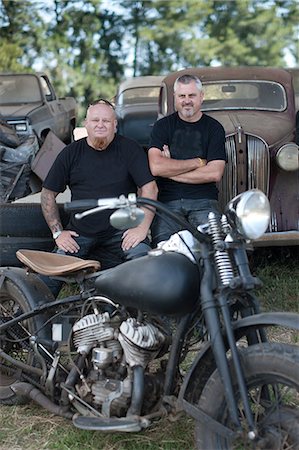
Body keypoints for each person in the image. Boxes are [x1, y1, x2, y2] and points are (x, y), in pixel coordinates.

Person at [41, 99, 158, 295]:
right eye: (95, 120)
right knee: (47, 277)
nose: (100, 125)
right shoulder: (70, 153)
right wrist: (57, 233)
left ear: (115, 125)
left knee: (145, 264)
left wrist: (141, 228)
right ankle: (32, 320)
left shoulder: (130, 149)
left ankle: (146, 320)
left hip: (122, 231)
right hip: (80, 234)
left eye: (106, 120)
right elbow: (47, 194)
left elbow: (150, 188)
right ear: (86, 123)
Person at [148, 74, 226, 246]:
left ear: (201, 97)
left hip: (204, 202)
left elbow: (214, 173)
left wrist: (169, 169)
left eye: (192, 95)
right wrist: (198, 162)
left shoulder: (214, 128)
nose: (187, 101)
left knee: (217, 246)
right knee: (164, 248)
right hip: (168, 202)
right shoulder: (162, 127)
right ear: (175, 98)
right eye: (182, 96)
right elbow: (156, 167)